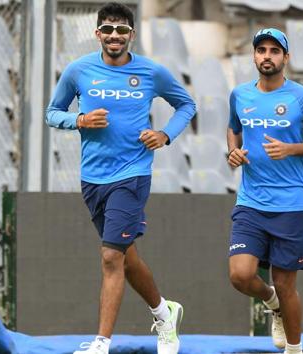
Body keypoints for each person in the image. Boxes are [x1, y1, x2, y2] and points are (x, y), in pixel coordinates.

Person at [45, 3, 196, 354]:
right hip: (92, 177)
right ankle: (164, 312)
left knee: (111, 257)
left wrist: (165, 135)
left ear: (132, 34)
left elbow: (186, 104)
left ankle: (101, 342)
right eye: (108, 29)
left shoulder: (151, 72)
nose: (115, 36)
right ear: (98, 33)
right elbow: (52, 112)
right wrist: (78, 121)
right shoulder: (78, 70)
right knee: (125, 257)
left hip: (132, 174)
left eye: (122, 30)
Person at [226, 28, 303, 354]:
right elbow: (234, 129)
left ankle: (294, 349)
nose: (267, 56)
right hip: (251, 201)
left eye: (275, 50)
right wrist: (233, 151)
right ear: (254, 55)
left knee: (287, 284)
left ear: (286, 58)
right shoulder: (240, 95)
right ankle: (270, 301)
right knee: (240, 275)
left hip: (292, 203)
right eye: (262, 50)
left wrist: (291, 149)